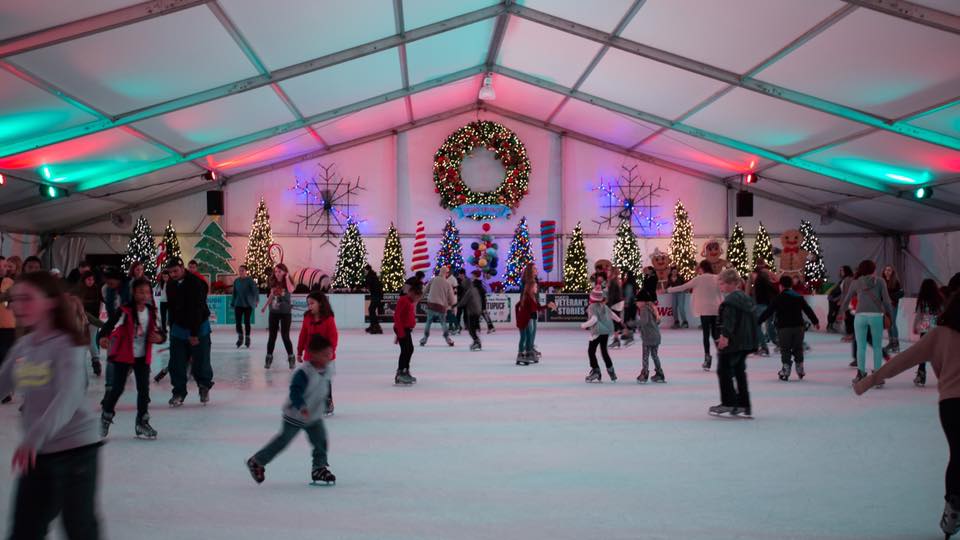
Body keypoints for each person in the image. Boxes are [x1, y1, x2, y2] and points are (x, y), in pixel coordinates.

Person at [0, 271, 103, 538]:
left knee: (79, 529)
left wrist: (34, 437)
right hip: (39, 452)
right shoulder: (23, 346)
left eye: (26, 298)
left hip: (76, 450)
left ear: (51, 302)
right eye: (14, 299)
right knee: (25, 529)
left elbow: (67, 397)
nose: (17, 305)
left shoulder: (67, 344)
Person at [853, 293, 960, 538]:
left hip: (952, 404)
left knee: (958, 453)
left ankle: (953, 507)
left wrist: (870, 380)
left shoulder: (938, 335)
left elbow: (902, 361)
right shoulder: (939, 335)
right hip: (952, 401)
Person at [246, 334, 336, 486]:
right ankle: (257, 461)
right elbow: (295, 391)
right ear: (313, 355)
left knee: (321, 440)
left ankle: (319, 468)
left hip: (313, 416)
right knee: (283, 441)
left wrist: (325, 402)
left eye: (330, 353)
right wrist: (301, 406)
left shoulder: (327, 369)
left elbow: (323, 387)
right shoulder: (304, 373)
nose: (330, 356)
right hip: (295, 415)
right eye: (326, 354)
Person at [98, 278, 165, 440]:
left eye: (147, 292)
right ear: (133, 293)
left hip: (142, 358)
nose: (144, 295)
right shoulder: (124, 310)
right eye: (140, 292)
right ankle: (106, 415)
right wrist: (103, 337)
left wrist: (159, 338)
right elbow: (108, 326)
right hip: (124, 356)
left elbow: (162, 332)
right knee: (117, 389)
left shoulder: (152, 311)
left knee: (144, 390)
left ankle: (142, 422)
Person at [165, 257, 214, 407]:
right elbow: (172, 307)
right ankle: (179, 392)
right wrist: (171, 328)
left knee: (201, 361)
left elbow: (197, 309)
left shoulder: (195, 283)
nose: (173, 274)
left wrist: (194, 333)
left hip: (199, 326)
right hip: (179, 329)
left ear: (182, 268)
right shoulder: (170, 285)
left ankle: (204, 386)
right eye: (170, 272)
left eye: (175, 271)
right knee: (177, 362)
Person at [710, 268, 757, 418]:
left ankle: (729, 402)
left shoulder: (730, 301)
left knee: (723, 371)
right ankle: (744, 404)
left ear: (731, 284)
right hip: (746, 342)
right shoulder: (746, 299)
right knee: (739, 372)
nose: (720, 287)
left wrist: (724, 338)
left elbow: (729, 322)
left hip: (734, 343)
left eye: (722, 283)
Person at [839, 260, 893, 385]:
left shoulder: (856, 282)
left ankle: (861, 374)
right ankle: (878, 375)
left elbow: (846, 300)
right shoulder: (880, 281)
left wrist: (841, 313)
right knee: (877, 346)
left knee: (861, 346)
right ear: (873, 270)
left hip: (860, 316)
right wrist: (889, 314)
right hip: (876, 316)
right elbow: (886, 301)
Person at [758, 275, 820, 381]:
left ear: (781, 286)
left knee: (785, 349)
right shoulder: (798, 297)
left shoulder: (778, 298)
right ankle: (800, 367)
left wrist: (758, 321)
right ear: (791, 285)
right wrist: (815, 321)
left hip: (784, 328)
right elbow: (807, 309)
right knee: (798, 347)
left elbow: (769, 311)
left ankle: (786, 368)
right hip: (799, 327)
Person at [666, 260, 723, 371]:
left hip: (704, 310)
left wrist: (668, 290)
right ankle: (722, 357)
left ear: (702, 268)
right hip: (716, 309)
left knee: (706, 335)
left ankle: (707, 358)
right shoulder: (717, 278)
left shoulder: (699, 279)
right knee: (716, 335)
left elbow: (682, 287)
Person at [297, 291, 338, 415]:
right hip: (310, 356)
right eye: (308, 304)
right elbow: (303, 334)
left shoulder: (328, 319)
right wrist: (299, 351)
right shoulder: (307, 317)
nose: (309, 306)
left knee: (325, 380)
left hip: (325, 358)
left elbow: (333, 337)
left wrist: (329, 352)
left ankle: (327, 401)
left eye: (312, 303)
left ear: (320, 303)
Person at [581, 286, 620, 383]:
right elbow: (612, 314)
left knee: (591, 351)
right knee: (604, 352)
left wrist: (584, 325)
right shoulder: (604, 306)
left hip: (597, 332)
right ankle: (612, 372)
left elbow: (594, 319)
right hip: (606, 332)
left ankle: (596, 370)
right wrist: (619, 320)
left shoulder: (592, 307)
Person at [262, 263, 295, 369]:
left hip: (286, 312)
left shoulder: (288, 282)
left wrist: (286, 278)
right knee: (272, 336)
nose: (277, 274)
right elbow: (271, 295)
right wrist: (265, 306)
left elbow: (291, 290)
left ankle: (291, 357)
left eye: (279, 271)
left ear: (285, 272)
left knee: (285, 336)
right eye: (275, 271)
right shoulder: (273, 282)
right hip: (274, 312)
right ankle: (269, 357)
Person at [913, 278, 945, 387]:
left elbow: (919, 315)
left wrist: (915, 326)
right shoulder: (940, 299)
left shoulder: (923, 300)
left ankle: (921, 374)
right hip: (936, 328)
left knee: (923, 352)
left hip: (925, 327)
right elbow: (943, 313)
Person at [515, 282, 556, 366]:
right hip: (523, 320)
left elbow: (537, 308)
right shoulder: (527, 297)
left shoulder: (532, 297)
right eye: (535, 287)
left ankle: (527, 353)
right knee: (523, 338)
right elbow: (517, 306)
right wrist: (517, 318)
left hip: (526, 320)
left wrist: (548, 305)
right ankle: (520, 355)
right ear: (531, 288)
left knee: (528, 337)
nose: (537, 288)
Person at [74, 271, 104, 377]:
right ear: (84, 280)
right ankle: (78, 365)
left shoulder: (96, 289)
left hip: (94, 319)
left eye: (92, 279)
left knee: (91, 341)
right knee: (82, 342)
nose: (91, 281)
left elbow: (101, 301)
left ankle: (96, 363)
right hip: (81, 320)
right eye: (89, 279)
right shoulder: (79, 291)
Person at [393, 282, 422, 385]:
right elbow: (397, 316)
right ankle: (400, 373)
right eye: (416, 297)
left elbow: (408, 315)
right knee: (406, 350)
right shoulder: (403, 300)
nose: (417, 300)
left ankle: (405, 370)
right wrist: (400, 333)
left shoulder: (409, 301)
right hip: (402, 329)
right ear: (411, 293)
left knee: (409, 349)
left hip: (406, 329)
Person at [635, 287, 665, 383]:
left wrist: (633, 323)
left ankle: (644, 374)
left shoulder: (644, 309)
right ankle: (660, 373)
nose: (636, 304)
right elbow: (657, 321)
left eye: (637, 302)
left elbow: (644, 321)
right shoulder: (652, 308)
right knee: (654, 355)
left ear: (642, 301)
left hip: (648, 337)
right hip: (656, 336)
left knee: (645, 356)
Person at [421, 267, 456, 347]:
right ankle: (447, 339)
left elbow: (425, 289)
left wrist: (420, 298)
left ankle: (424, 338)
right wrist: (453, 306)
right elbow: (451, 297)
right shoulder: (447, 283)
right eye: (447, 273)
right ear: (446, 273)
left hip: (431, 304)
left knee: (428, 322)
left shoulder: (434, 279)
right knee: (443, 322)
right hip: (441, 306)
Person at [750, 266, 779, 357]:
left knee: (756, 325)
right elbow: (775, 292)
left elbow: (758, 297)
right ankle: (779, 344)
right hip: (770, 306)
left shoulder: (759, 280)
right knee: (769, 326)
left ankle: (763, 347)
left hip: (762, 306)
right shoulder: (766, 281)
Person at [231, 265, 258, 348]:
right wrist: (232, 302)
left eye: (242, 270)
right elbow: (234, 293)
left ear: (246, 271)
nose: (241, 272)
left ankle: (247, 337)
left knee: (247, 322)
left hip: (248, 305)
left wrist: (256, 300)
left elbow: (255, 291)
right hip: (238, 304)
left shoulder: (250, 280)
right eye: (240, 270)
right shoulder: (236, 281)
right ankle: (240, 337)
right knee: (238, 322)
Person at [457, 270, 483, 351]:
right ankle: (476, 341)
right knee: (472, 328)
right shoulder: (474, 289)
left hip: (473, 312)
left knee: (471, 329)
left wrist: (455, 305)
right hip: (477, 311)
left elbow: (463, 302)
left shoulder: (469, 291)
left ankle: (476, 341)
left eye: (464, 285)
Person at [0, 260, 15, 404]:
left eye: (4, 266)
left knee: (5, 358)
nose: (2, 269)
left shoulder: (9, 282)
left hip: (8, 325)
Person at [882, 265, 904, 355]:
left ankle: (896, 343)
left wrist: (890, 298)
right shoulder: (882, 281)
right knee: (888, 324)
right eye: (886, 270)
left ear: (892, 272)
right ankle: (891, 343)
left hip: (892, 305)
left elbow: (901, 293)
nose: (887, 271)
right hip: (884, 306)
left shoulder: (896, 282)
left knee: (892, 324)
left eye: (889, 270)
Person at [606, 267, 624, 348]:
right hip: (619, 302)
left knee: (615, 321)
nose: (608, 272)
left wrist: (609, 305)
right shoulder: (617, 280)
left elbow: (612, 295)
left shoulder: (613, 281)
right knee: (616, 320)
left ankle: (616, 339)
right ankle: (616, 339)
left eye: (609, 271)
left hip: (615, 303)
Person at [620, 269, 638, 346]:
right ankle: (631, 333)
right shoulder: (634, 283)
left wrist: (626, 302)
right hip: (634, 304)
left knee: (627, 319)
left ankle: (627, 334)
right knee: (632, 318)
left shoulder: (628, 284)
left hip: (629, 304)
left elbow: (628, 294)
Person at [365, 264, 384, 334]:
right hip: (377, 295)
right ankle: (373, 325)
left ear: (367, 270)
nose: (364, 272)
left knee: (371, 310)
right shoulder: (372, 276)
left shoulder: (370, 276)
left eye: (365, 270)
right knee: (371, 310)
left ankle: (375, 327)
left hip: (376, 295)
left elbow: (369, 284)